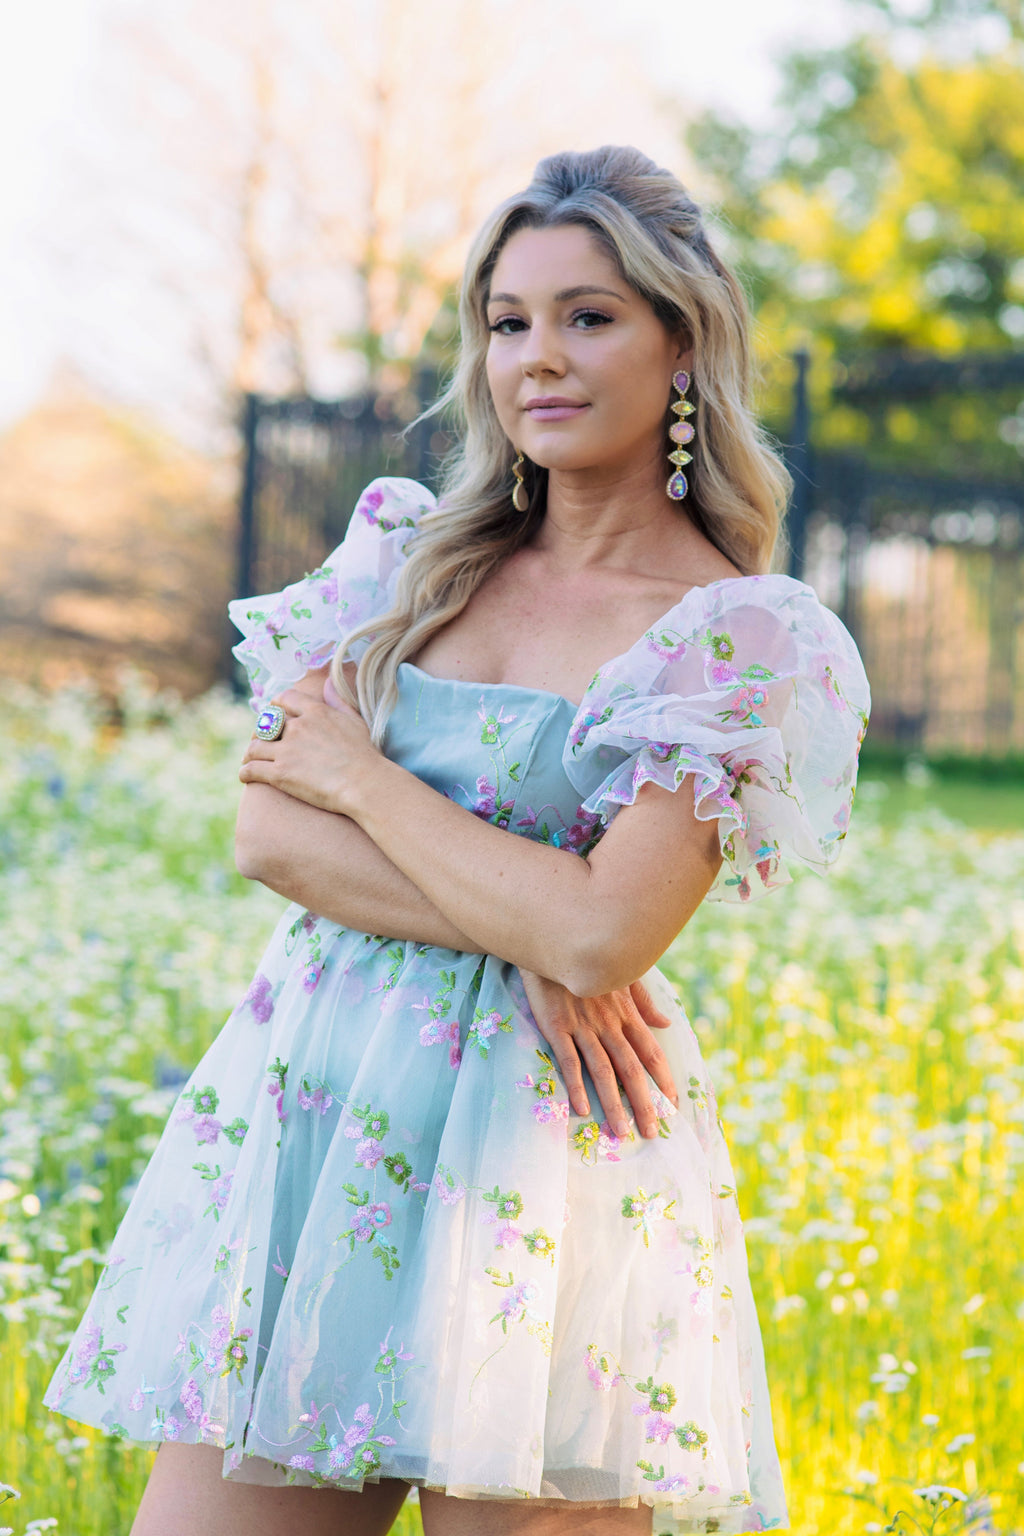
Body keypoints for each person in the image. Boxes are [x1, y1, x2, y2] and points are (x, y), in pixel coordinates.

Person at [45, 145, 870, 1535]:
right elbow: (267, 831)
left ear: (682, 344)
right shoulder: (410, 559)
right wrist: (524, 918)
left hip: (545, 1163)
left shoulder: (737, 634)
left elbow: (610, 932)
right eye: (508, 321)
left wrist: (363, 783)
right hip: (317, 1122)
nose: (537, 357)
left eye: (588, 316)